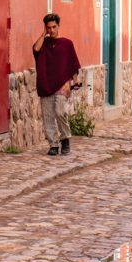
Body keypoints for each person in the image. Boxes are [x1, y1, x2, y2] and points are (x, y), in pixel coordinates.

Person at [33, 13, 81, 157]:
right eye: (49, 28)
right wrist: (43, 35)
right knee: (47, 116)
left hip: (62, 84)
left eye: (54, 27)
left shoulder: (67, 44)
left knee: (60, 112)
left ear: (59, 26)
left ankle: (65, 138)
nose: (52, 30)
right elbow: (35, 49)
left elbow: (73, 64)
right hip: (46, 83)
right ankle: (53, 144)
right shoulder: (44, 44)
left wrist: (75, 80)